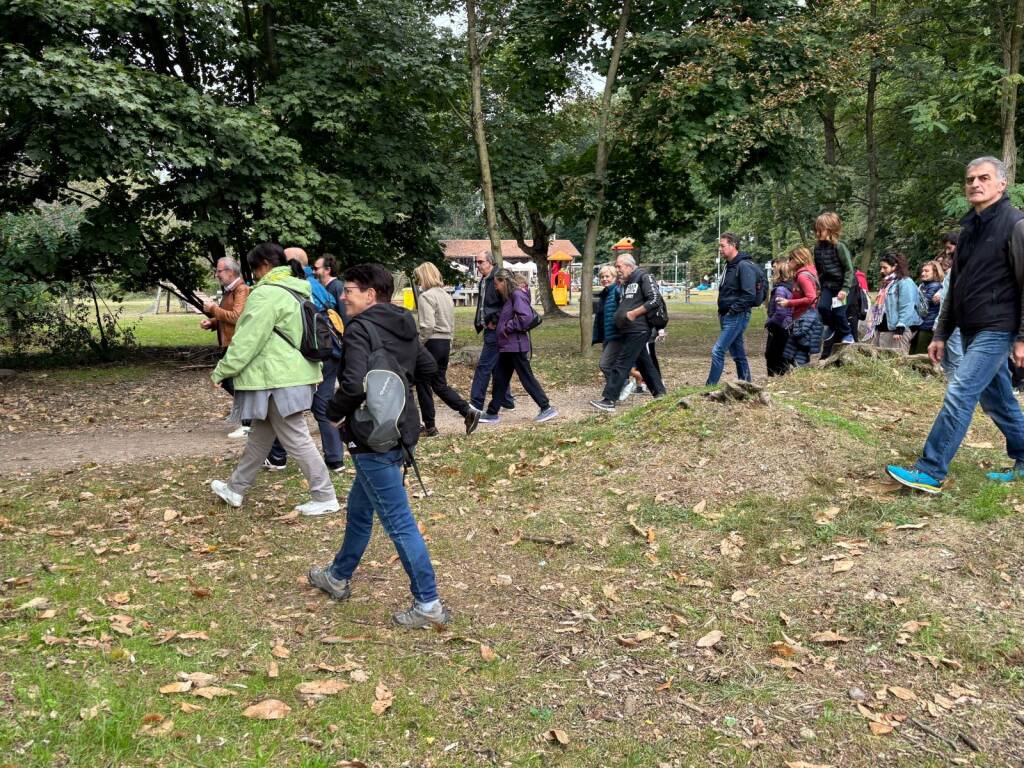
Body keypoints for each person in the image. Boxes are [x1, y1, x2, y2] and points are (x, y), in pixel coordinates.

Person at [310, 263, 450, 628]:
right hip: (401, 431)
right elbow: (429, 368)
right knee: (360, 509)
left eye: (350, 290)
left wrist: (332, 413)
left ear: (370, 295)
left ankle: (428, 604)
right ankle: (337, 576)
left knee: (399, 524)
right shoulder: (403, 323)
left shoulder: (360, 328)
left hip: (373, 437)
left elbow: (354, 385)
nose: (343, 296)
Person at [886, 156, 1024, 493]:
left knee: (960, 390)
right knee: (999, 401)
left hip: (998, 328)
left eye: (984, 178)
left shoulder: (1016, 225)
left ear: (1001, 184)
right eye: (970, 179)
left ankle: (931, 471)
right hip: (971, 327)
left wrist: (1022, 337)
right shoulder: (967, 232)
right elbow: (955, 289)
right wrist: (942, 333)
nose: (975, 184)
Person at [209, 243, 340, 517]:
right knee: (260, 436)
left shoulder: (266, 294)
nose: (254, 276)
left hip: (277, 378)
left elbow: (247, 340)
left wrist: (222, 371)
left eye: (254, 269)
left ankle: (325, 495)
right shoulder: (296, 287)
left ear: (264, 266)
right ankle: (236, 488)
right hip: (287, 376)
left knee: (296, 438)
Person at [264, 247, 344, 472]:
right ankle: (335, 459)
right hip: (330, 351)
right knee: (322, 406)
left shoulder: (293, 284)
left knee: (288, 406)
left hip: (307, 353)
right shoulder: (317, 284)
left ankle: (278, 457)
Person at [411, 261, 481, 436]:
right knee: (439, 384)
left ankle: (430, 426)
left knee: (423, 384)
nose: (418, 282)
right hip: (444, 343)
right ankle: (467, 411)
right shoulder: (446, 295)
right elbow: (451, 324)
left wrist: (417, 345)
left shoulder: (426, 297)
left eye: (419, 278)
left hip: (431, 344)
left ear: (424, 277)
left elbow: (427, 326)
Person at [480, 270, 559, 424]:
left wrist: (506, 327)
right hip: (508, 345)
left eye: (497, 284)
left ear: (504, 281)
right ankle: (492, 412)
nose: (496, 288)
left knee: (526, 378)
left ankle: (546, 407)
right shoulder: (512, 296)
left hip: (515, 345)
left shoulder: (517, 295)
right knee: (500, 378)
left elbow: (526, 317)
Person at [590, 252, 667, 411]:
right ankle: (661, 394)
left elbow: (654, 299)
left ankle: (609, 400)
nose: (617, 269)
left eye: (619, 266)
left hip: (638, 329)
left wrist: (633, 314)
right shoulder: (626, 282)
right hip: (627, 330)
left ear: (629, 265)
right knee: (645, 365)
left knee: (622, 364)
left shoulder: (644, 277)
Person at [201, 257, 251, 438]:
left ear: (231, 272)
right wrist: (213, 323)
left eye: (219, 271)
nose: (217, 275)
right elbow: (228, 316)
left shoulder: (242, 290)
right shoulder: (230, 291)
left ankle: (249, 423)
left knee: (230, 382)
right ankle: (247, 420)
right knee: (231, 382)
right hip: (229, 343)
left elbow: (237, 317)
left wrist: (213, 309)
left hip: (236, 344)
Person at [705, 232, 756, 385]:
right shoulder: (729, 266)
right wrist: (722, 311)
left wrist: (733, 310)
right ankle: (746, 384)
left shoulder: (743, 265)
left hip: (736, 315)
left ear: (733, 245)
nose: (720, 249)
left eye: (722, 245)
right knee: (738, 354)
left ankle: (710, 386)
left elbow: (749, 295)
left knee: (718, 351)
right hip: (727, 315)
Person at [470, 251, 514, 412]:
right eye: (477, 262)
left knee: (484, 367)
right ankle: (506, 400)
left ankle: (476, 404)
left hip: (495, 330)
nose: (478, 265)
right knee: (498, 366)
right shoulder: (484, 279)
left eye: (480, 261)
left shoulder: (499, 277)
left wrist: (495, 322)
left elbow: (509, 303)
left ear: (491, 262)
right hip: (489, 329)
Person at [862, 252, 921, 354]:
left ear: (895, 266)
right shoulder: (887, 283)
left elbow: (907, 306)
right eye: (881, 267)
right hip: (882, 329)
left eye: (885, 268)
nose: (882, 270)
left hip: (896, 331)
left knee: (895, 362)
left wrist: (900, 328)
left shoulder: (905, 282)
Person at [813, 212, 856, 348]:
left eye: (821, 230)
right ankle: (831, 327)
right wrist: (819, 287)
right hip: (828, 286)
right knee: (822, 308)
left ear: (830, 230)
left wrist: (845, 289)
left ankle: (847, 334)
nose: (818, 232)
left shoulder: (839, 247)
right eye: (817, 230)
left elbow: (849, 269)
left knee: (839, 312)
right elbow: (819, 270)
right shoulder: (817, 248)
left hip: (841, 286)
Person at [776, 247, 821, 368]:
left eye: (790, 259)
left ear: (798, 259)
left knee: (797, 356)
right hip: (809, 318)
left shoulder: (803, 276)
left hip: (804, 319)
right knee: (799, 355)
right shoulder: (811, 272)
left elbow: (811, 297)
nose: (788, 262)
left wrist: (788, 303)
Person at [591, 265, 623, 388]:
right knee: (612, 364)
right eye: (602, 277)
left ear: (614, 277)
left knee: (604, 364)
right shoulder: (605, 293)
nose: (604, 279)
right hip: (606, 335)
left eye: (607, 276)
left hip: (616, 335)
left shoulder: (617, 291)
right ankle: (614, 390)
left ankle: (620, 385)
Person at [937, 232, 963, 376]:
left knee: (956, 358)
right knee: (946, 360)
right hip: (948, 321)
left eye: (950, 247)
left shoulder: (962, 271)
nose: (947, 252)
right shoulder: (953, 271)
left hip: (956, 322)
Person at [764, 259, 793, 376]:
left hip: (779, 327)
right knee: (781, 355)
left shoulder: (780, 289)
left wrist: (770, 323)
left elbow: (780, 312)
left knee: (772, 355)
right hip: (787, 325)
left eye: (775, 269)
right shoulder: (790, 287)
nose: (773, 271)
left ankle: (775, 379)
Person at [910, 260, 944, 355]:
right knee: (913, 353)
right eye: (922, 271)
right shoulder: (924, 285)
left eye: (926, 271)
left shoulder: (935, 286)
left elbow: (922, 304)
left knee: (919, 355)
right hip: (922, 325)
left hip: (927, 327)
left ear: (936, 272)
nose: (923, 273)